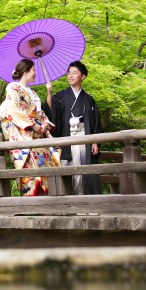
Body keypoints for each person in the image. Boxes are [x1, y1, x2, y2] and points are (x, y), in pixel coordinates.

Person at [0, 59, 61, 196]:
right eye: (33, 71)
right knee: (31, 173)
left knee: (47, 171)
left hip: (39, 137)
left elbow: (41, 113)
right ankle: (33, 208)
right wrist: (33, 125)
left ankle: (50, 207)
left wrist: (45, 124)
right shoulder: (13, 89)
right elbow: (12, 111)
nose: (35, 74)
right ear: (25, 72)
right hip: (25, 136)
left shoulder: (33, 93)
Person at [47, 61, 103, 195]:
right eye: (69, 73)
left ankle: (90, 202)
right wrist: (49, 93)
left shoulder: (89, 99)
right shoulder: (60, 95)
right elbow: (50, 110)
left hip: (85, 137)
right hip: (68, 137)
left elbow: (95, 121)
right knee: (70, 170)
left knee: (87, 171)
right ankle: (72, 204)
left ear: (83, 76)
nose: (70, 76)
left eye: (74, 73)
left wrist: (95, 140)